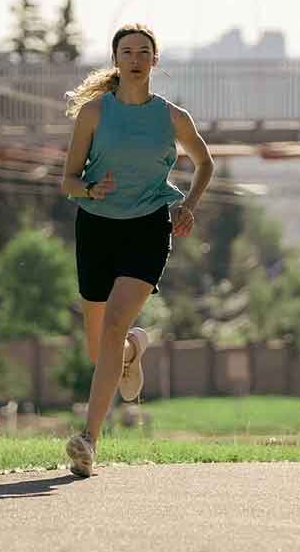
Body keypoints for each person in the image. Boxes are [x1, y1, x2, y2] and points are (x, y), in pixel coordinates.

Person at [58, 23, 213, 477]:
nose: (135, 58)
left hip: (147, 227)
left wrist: (189, 204)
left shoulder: (171, 117)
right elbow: (67, 181)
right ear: (116, 60)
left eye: (144, 52)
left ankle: (87, 440)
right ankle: (131, 352)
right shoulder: (93, 113)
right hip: (96, 229)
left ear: (154, 61)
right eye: (127, 51)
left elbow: (204, 162)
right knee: (98, 347)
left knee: (111, 330)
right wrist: (89, 188)